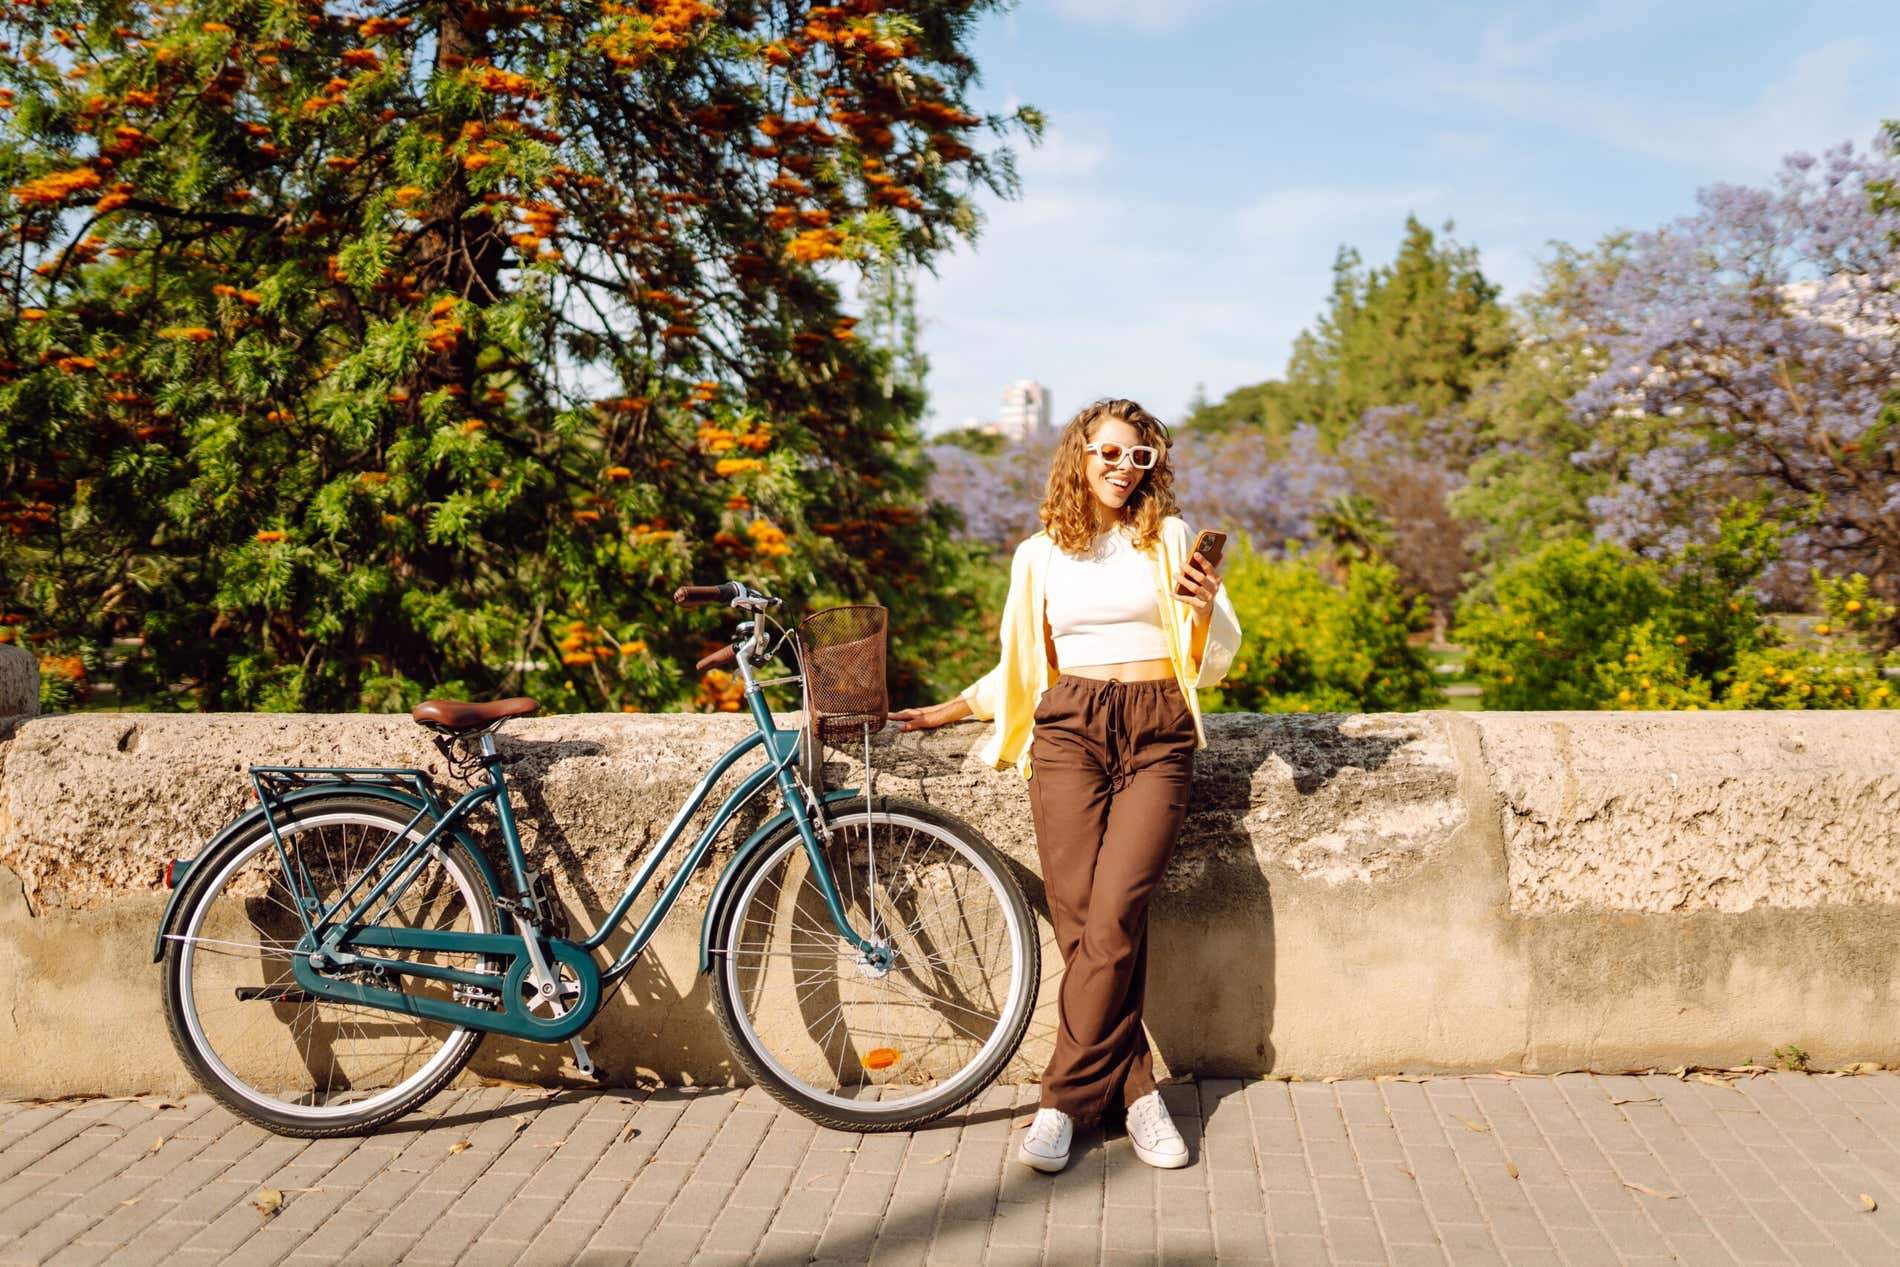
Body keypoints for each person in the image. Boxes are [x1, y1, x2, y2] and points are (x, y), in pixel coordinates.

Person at [892, 397, 1242, 1173]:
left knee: (1114, 918)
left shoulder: (1171, 538)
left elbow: (1213, 658)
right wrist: (951, 706)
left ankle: (1060, 1101)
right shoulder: (1038, 554)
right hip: (1070, 731)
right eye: (1110, 453)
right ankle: (1138, 1091)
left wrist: (1207, 607)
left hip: (1157, 728)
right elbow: (1022, 666)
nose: (1124, 468)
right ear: (1079, 456)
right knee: (1081, 922)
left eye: (1139, 457)